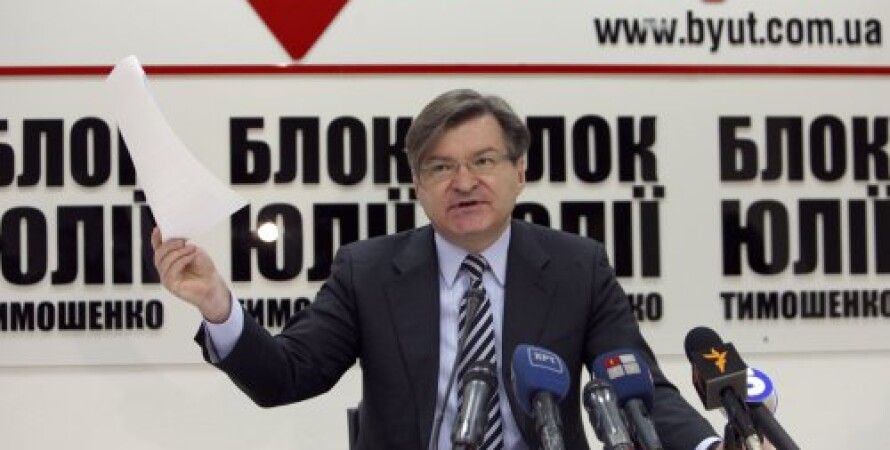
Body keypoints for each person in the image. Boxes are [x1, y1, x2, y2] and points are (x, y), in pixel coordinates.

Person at [152, 89, 722, 449]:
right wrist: (218, 306)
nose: (464, 182)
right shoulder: (368, 272)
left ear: (520, 172)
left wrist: (708, 447)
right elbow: (285, 376)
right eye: (440, 168)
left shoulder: (577, 267)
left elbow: (638, 388)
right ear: (417, 185)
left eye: (483, 161)